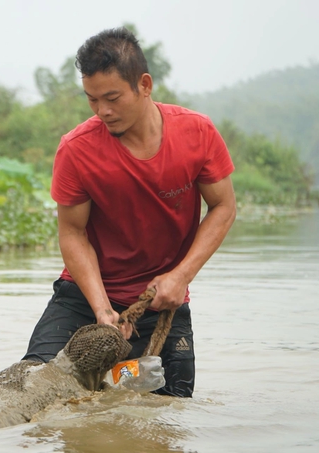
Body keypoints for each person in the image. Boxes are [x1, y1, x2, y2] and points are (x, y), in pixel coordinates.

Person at [21, 27, 236, 398]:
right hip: (85, 298)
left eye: (113, 98)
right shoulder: (77, 150)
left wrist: (180, 276)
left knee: (167, 413)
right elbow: (73, 233)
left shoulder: (197, 134)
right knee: (34, 388)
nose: (102, 111)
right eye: (92, 100)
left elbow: (223, 206)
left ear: (145, 85)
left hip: (161, 301)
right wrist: (102, 311)